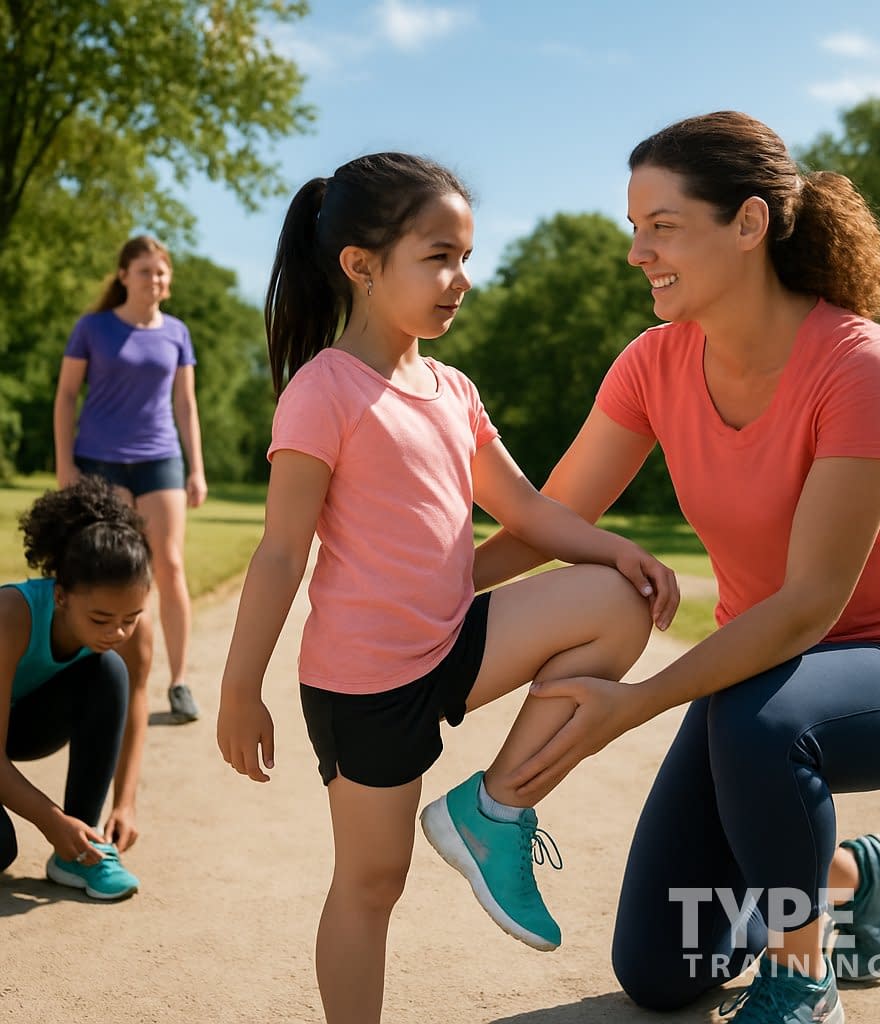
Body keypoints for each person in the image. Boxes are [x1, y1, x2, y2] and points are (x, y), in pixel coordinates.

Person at [457, 112, 880, 1023]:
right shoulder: (653, 363)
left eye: (662, 226)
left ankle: (802, 982)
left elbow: (811, 608)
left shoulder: (860, 362)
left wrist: (637, 704)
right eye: (632, 228)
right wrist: (432, 590)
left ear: (748, 223)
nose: (636, 253)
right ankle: (855, 874)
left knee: (756, 719)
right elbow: (553, 520)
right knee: (659, 973)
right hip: (761, 686)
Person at [216, 152, 679, 1024]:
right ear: (360, 265)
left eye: (465, 256)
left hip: (453, 643)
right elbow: (281, 555)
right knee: (372, 882)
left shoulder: (451, 389)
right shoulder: (323, 392)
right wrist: (241, 688)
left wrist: (618, 550)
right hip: (364, 684)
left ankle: (494, 812)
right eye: (438, 256)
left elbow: (529, 512)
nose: (459, 279)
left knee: (617, 602)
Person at [54, 235, 208, 723]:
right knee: (109, 568)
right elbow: (65, 397)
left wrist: (196, 467)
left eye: (161, 272)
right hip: (99, 460)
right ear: (123, 276)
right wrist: (64, 464)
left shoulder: (177, 333)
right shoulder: (93, 328)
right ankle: (106, 678)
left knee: (171, 566)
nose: (155, 279)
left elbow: (186, 404)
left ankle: (179, 682)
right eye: (145, 271)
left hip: (160, 459)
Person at [0, 476, 151, 899]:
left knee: (110, 673)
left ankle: (79, 855)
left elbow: (135, 703)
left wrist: (125, 803)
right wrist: (50, 821)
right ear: (62, 596)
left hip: (22, 725)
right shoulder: (11, 616)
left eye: (130, 617)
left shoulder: (129, 624)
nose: (118, 631)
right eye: (101, 619)